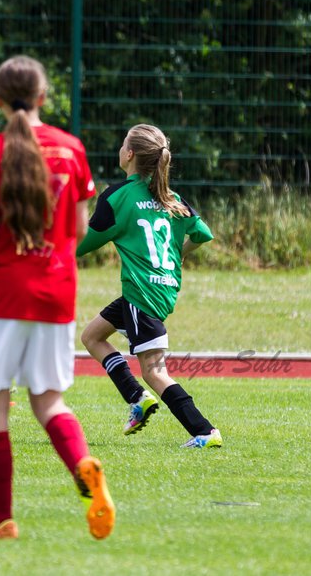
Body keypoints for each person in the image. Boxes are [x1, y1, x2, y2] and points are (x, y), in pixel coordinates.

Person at [0, 55, 114, 541]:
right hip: (55, 293)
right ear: (43, 97)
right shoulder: (72, 149)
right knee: (50, 403)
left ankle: (2, 522)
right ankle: (83, 467)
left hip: (2, 294)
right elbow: (82, 228)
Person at [76, 123, 221, 449]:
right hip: (158, 289)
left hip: (142, 294)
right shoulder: (170, 198)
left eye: (123, 142)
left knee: (155, 372)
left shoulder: (118, 196)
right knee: (92, 336)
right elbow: (203, 234)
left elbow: (81, 245)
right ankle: (136, 398)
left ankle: (204, 431)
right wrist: (177, 257)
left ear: (129, 154)